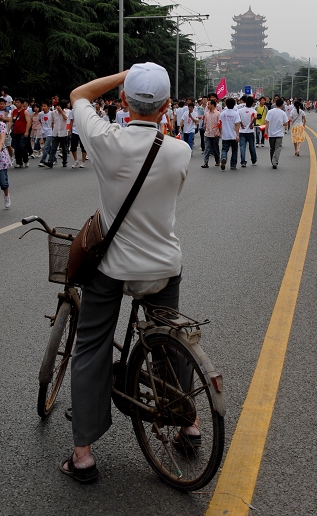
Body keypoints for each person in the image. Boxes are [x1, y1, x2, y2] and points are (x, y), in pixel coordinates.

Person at [59, 62, 191, 483]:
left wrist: (120, 76)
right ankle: (190, 424)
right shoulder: (179, 151)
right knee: (172, 338)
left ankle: (83, 455)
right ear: (168, 106)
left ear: (121, 102)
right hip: (162, 267)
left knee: (91, 345)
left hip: (112, 267)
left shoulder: (103, 139)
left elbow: (79, 93)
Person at [265, 98, 288, 169]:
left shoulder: (270, 112)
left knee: (272, 148)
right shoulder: (283, 113)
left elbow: (267, 122)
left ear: (275, 104)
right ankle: (275, 161)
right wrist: (281, 124)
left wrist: (266, 131)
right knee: (278, 148)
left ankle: (273, 161)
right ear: (282, 105)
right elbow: (286, 123)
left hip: (271, 133)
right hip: (279, 133)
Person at [219, 97, 240, 170]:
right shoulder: (236, 113)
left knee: (224, 149)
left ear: (226, 104)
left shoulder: (223, 113)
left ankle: (224, 158)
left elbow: (220, 124)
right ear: (234, 104)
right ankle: (233, 165)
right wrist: (237, 135)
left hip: (225, 135)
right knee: (234, 151)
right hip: (233, 135)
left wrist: (220, 132)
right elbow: (237, 124)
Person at [11, 96, 32, 168]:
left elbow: (28, 121)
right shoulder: (14, 111)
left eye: (18, 102)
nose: (16, 104)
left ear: (22, 104)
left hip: (22, 132)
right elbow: (11, 121)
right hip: (15, 132)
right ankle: (19, 162)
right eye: (16, 102)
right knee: (16, 148)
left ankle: (25, 160)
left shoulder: (25, 111)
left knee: (22, 147)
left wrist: (26, 131)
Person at [238, 95, 257, 167]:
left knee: (242, 147)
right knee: (252, 146)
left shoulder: (240, 110)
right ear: (252, 103)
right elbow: (255, 117)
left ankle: (243, 161)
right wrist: (251, 124)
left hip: (242, 131)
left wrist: (241, 124)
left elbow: (238, 118)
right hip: (250, 131)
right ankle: (253, 159)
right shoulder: (253, 110)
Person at [201, 99, 221, 168]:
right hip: (207, 134)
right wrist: (204, 126)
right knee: (207, 148)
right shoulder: (206, 114)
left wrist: (217, 132)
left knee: (215, 148)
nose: (207, 105)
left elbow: (220, 124)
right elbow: (205, 123)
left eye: (209, 104)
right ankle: (205, 163)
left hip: (215, 134)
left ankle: (217, 160)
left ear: (213, 105)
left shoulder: (218, 114)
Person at [0, 120, 11, 208]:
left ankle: (6, 196)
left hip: (1, 158)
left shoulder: (2, 125)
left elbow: (2, 139)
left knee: (3, 182)